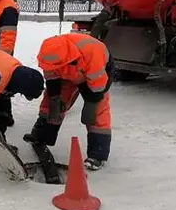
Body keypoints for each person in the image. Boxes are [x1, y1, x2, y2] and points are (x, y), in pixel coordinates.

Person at [24, 32, 114, 171]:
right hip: (67, 72)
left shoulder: (91, 53)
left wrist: (92, 102)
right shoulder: (49, 53)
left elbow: (98, 86)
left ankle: (98, 154)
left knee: (97, 111)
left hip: (95, 74)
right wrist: (55, 97)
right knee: (51, 104)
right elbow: (51, 75)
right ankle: (41, 136)